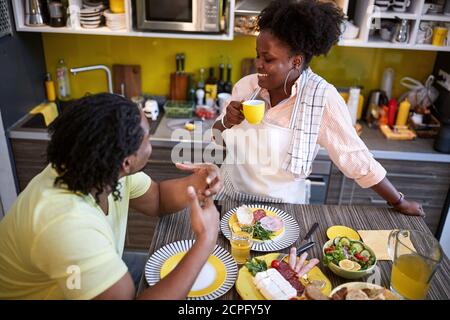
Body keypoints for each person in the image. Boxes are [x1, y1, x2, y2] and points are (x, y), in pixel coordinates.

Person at [0, 93, 222, 300]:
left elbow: (157, 198)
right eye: (147, 139)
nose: (150, 144)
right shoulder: (66, 224)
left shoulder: (97, 169)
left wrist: (200, 183)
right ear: (127, 162)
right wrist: (206, 240)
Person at [212, 0, 423, 216]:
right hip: (231, 201)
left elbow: (357, 159)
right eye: (258, 55)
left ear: (296, 61)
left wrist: (398, 201)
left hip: (282, 211)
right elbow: (216, 135)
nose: (258, 64)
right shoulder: (247, 86)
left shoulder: (322, 100)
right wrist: (226, 121)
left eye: (268, 59)